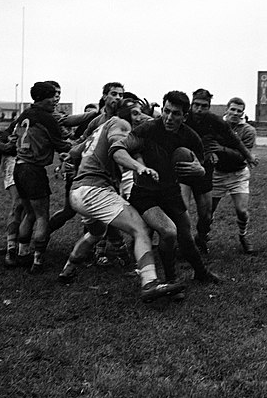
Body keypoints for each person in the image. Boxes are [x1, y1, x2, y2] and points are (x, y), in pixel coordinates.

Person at [57, 98, 185, 302]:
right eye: (134, 113)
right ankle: (150, 283)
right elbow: (118, 149)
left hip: (77, 192)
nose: (138, 117)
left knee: (95, 233)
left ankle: (68, 269)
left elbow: (74, 151)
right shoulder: (119, 123)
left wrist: (66, 163)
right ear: (124, 114)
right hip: (94, 191)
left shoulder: (100, 128)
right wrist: (139, 166)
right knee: (140, 228)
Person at [110, 90, 221, 300]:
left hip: (170, 192)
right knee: (168, 232)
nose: (170, 117)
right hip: (145, 194)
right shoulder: (148, 128)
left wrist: (199, 170)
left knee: (186, 238)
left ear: (184, 116)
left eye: (176, 113)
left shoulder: (189, 135)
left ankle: (201, 273)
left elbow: (201, 164)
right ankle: (170, 280)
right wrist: (137, 166)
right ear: (162, 109)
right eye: (166, 111)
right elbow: (118, 150)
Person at [182, 88, 258, 253]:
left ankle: (239, 236)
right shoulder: (183, 117)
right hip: (200, 171)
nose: (199, 109)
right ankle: (190, 243)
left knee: (222, 212)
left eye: (204, 106)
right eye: (196, 105)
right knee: (183, 210)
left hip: (233, 173)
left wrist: (248, 157)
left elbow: (237, 143)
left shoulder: (229, 126)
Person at [11, 81, 72, 274]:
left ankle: (22, 254)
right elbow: (62, 144)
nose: (55, 101)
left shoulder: (24, 115)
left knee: (29, 214)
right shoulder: (47, 118)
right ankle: (37, 261)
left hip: (19, 168)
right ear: (41, 98)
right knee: (41, 217)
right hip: (33, 170)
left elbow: (15, 139)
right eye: (52, 97)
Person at [48, 82, 125, 234]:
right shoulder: (96, 120)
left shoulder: (123, 120)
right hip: (86, 173)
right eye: (114, 94)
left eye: (121, 95)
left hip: (111, 175)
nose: (118, 98)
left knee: (110, 215)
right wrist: (69, 154)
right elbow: (83, 141)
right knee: (71, 211)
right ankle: (44, 234)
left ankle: (101, 251)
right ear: (105, 96)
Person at [211, 97, 257, 254]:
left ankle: (243, 236)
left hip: (238, 174)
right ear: (227, 110)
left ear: (243, 113)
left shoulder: (248, 130)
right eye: (233, 109)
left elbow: (242, 156)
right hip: (217, 173)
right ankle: (202, 238)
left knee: (242, 211)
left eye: (239, 111)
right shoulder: (215, 126)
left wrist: (220, 149)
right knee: (207, 212)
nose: (236, 113)